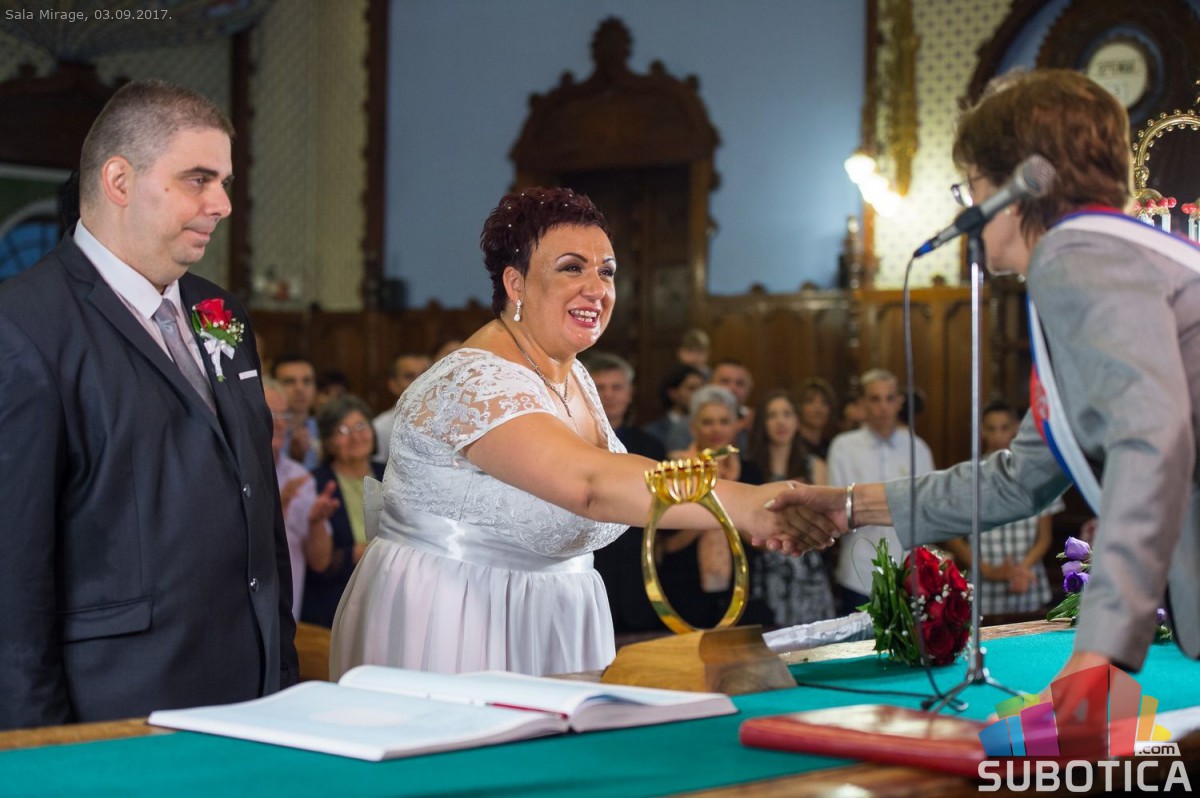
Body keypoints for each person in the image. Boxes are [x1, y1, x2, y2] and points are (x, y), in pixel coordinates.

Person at [768, 69, 1200, 701]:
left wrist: (1099, 650)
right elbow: (1018, 479)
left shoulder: (1076, 259)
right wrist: (850, 506)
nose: (964, 208)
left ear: (1023, 185)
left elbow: (1151, 444)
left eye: (969, 184)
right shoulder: (1113, 255)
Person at [330, 187, 802, 678]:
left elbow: (617, 481)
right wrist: (752, 506)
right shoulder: (470, 381)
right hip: (458, 614)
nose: (597, 288)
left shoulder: (572, 374)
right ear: (515, 283)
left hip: (556, 614)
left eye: (607, 271)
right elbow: (591, 486)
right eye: (572, 268)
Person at [0, 80, 298, 730]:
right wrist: (45, 748)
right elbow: (12, 577)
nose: (221, 204)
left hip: (253, 698)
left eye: (223, 182)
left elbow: (256, 496)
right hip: (119, 708)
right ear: (119, 179)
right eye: (198, 180)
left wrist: (282, 677)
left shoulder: (220, 312)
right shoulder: (22, 327)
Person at [660, 386, 773, 629]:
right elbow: (667, 544)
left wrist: (714, 509)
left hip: (744, 587)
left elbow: (762, 539)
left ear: (735, 426)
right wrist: (720, 508)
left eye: (724, 421)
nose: (716, 429)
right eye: (707, 422)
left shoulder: (750, 472)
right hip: (685, 585)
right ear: (693, 427)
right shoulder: (675, 470)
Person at [826, 368, 935, 614]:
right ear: (862, 404)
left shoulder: (917, 448)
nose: (883, 406)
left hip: (908, 571)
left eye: (889, 398)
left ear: (899, 402)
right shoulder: (843, 447)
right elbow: (837, 509)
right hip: (858, 571)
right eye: (875, 399)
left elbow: (927, 507)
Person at [943, 400, 1062, 617]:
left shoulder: (1038, 473)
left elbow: (1045, 536)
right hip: (982, 587)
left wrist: (1022, 568)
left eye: (1004, 428)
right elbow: (952, 536)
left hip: (1027, 581)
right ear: (981, 430)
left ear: (1016, 427)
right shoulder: (966, 476)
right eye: (991, 428)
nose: (998, 436)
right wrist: (987, 569)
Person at [583, 351, 666, 633]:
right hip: (588, 558)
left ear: (629, 393)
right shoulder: (571, 444)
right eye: (600, 387)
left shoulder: (651, 447)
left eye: (616, 387)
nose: (609, 395)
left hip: (637, 565)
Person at [749, 390, 835, 626]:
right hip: (765, 567)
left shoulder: (815, 466)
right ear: (762, 423)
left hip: (806, 565)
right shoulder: (750, 468)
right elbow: (743, 524)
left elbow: (825, 521)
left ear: (797, 421)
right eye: (772, 415)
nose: (780, 422)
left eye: (787, 414)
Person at [301, 394, 385, 628]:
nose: (355, 437)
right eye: (343, 430)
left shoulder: (391, 473)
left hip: (387, 590)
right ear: (327, 442)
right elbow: (318, 565)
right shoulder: (315, 482)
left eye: (360, 426)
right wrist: (354, 553)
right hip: (338, 602)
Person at [372, 351, 432, 463]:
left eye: (425, 374)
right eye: (410, 377)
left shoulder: (451, 419)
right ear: (393, 385)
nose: (420, 382)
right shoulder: (380, 427)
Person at [641, 362, 706, 453]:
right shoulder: (652, 432)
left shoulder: (709, 428)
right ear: (673, 393)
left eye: (701, 388)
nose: (699, 394)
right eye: (691, 388)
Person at [273, 353, 320, 469]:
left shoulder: (324, 429)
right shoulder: (269, 432)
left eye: (307, 381)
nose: (300, 388)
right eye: (289, 382)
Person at [711, 359, 755, 452]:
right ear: (710, 385)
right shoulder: (687, 424)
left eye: (739, 383)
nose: (732, 388)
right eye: (725, 381)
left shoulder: (754, 421)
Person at [796, 377, 838, 460]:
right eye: (810, 401)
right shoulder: (792, 447)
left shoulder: (833, 447)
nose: (818, 408)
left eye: (824, 402)